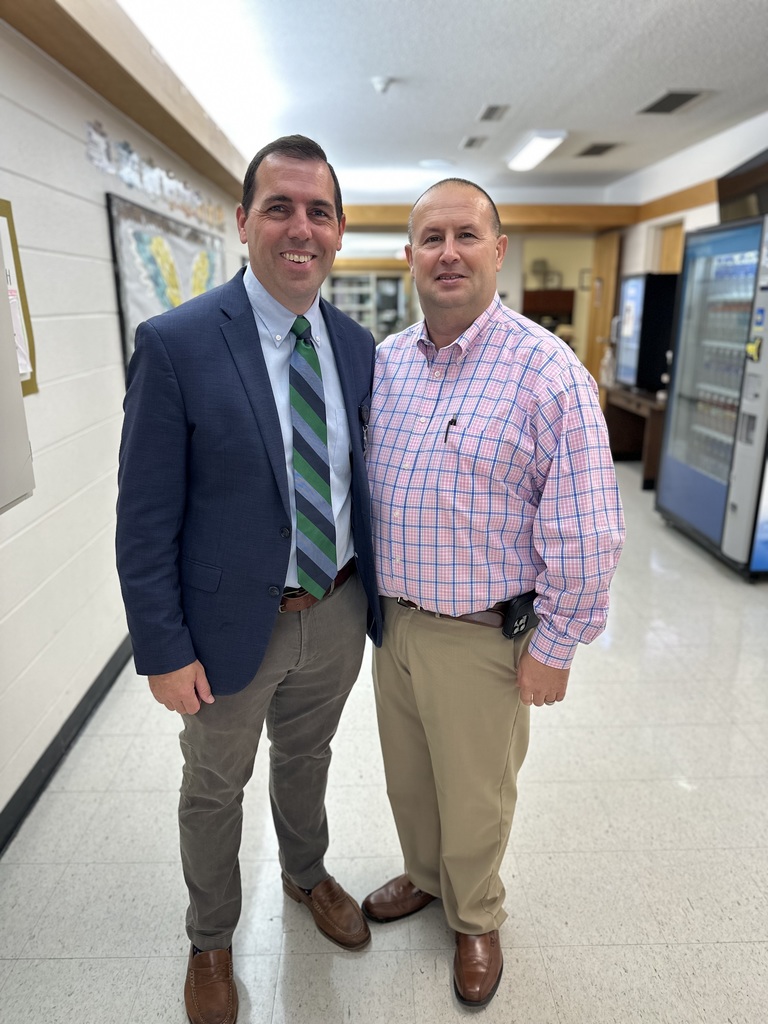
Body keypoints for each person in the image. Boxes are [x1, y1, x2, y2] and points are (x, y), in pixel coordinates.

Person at [116, 135, 382, 1024]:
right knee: (213, 786)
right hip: (227, 626)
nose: (300, 228)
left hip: (335, 607)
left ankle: (306, 874)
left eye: (319, 212)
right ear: (242, 222)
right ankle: (211, 938)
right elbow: (144, 518)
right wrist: (162, 647)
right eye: (279, 208)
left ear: (338, 231)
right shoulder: (177, 344)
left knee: (308, 758)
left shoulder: (357, 347)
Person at [362, 178, 625, 1008]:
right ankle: (424, 876)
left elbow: (589, 528)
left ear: (498, 251)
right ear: (409, 256)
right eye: (431, 238)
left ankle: (476, 914)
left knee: (476, 792)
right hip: (393, 625)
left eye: (466, 235)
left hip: (481, 636)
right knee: (409, 778)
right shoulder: (387, 365)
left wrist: (557, 645)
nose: (449, 253)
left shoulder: (547, 373)